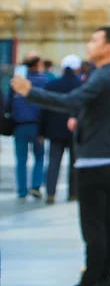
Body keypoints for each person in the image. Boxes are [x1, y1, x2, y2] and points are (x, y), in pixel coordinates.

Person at [10, 26, 110, 286]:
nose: (89, 44)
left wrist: (30, 92)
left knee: (93, 223)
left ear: (109, 46)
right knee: (107, 221)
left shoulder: (103, 76)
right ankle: (104, 278)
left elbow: (70, 101)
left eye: (95, 40)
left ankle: (90, 280)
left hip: (93, 157)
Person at [41, 55, 82, 203]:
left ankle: (50, 193)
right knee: (74, 163)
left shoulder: (53, 84)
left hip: (55, 131)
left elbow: (44, 110)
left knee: (53, 163)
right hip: (75, 130)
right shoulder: (81, 86)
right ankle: (73, 193)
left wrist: (42, 131)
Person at [9, 53, 46, 201]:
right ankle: (36, 186)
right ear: (37, 64)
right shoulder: (43, 81)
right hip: (38, 125)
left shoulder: (16, 82)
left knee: (21, 159)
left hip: (19, 126)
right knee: (39, 157)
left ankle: (22, 191)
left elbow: (8, 104)